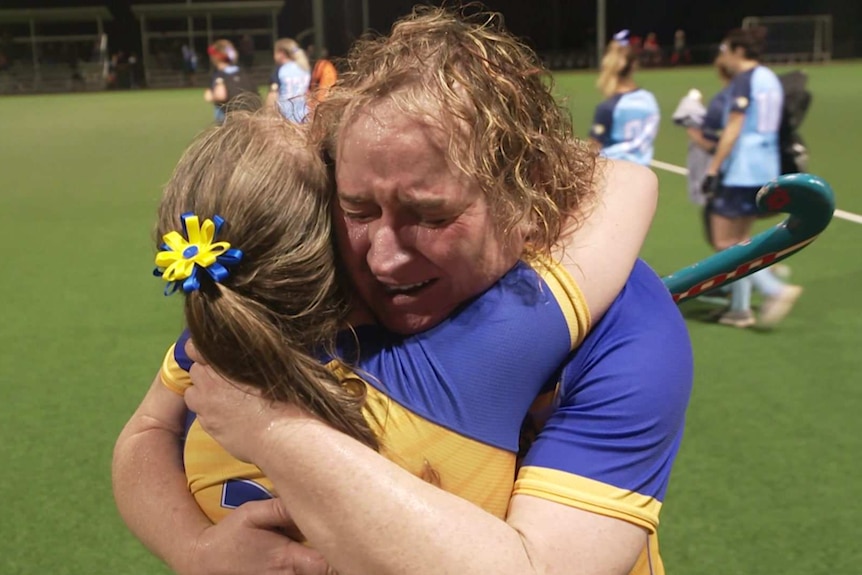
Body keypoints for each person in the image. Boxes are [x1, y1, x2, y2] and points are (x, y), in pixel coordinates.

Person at [113, 7, 691, 575]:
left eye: (430, 216)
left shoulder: (625, 325)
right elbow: (147, 431)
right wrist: (196, 550)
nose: (383, 257)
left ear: (523, 192)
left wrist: (273, 432)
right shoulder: (298, 287)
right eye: (358, 207)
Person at [703, 27, 803, 328]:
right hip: (765, 166)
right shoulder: (770, 77)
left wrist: (713, 168)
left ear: (738, 51)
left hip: (742, 169)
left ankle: (776, 290)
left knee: (724, 241)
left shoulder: (745, 80)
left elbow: (734, 126)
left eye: (725, 50)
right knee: (742, 241)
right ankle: (739, 309)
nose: (723, 57)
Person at [590, 29, 661, 166]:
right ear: (634, 66)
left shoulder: (608, 108)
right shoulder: (650, 101)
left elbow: (593, 150)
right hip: (643, 175)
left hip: (614, 175)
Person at [204, 40, 259, 125]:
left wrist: (210, 96)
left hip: (228, 120)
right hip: (251, 117)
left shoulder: (220, 75)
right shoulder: (244, 73)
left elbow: (220, 95)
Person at [266, 38, 311, 123]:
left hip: (285, 119)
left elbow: (273, 94)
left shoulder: (280, 70)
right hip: (304, 116)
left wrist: (268, 116)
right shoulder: (305, 68)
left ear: (281, 53)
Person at [306, 45, 337, 111]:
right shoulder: (318, 66)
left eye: (309, 52)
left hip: (322, 106)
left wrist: (316, 107)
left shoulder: (325, 67)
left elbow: (323, 91)